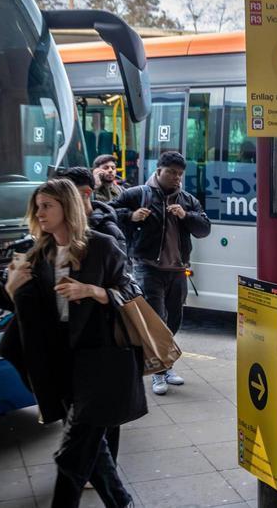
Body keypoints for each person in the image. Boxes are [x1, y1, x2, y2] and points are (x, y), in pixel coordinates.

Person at [0, 179, 141, 508]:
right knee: (90, 444)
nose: (39, 213)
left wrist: (92, 291)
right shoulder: (36, 252)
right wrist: (10, 289)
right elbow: (15, 300)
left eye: (47, 206)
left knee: (73, 451)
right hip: (58, 359)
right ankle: (122, 502)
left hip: (100, 359)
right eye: (37, 207)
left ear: (67, 207)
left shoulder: (101, 246)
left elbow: (130, 290)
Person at [111, 151, 212, 395]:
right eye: (172, 172)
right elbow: (109, 214)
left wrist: (186, 216)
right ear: (158, 171)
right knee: (157, 320)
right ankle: (159, 371)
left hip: (178, 269)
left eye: (180, 174)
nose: (177, 178)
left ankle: (166, 365)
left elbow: (204, 229)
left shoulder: (187, 200)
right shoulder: (138, 194)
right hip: (148, 267)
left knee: (174, 319)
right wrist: (131, 216)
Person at [56, 167, 127, 253]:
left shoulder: (107, 231)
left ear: (86, 193)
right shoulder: (61, 225)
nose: (62, 199)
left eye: (68, 193)